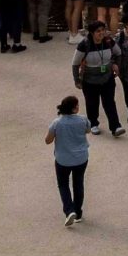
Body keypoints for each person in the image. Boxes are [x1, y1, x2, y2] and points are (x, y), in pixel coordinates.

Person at [46, 94, 91, 226]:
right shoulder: (83, 119)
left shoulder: (57, 122)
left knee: (63, 184)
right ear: (73, 109)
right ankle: (78, 212)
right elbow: (88, 131)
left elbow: (47, 140)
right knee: (78, 184)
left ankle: (69, 210)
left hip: (63, 160)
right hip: (81, 158)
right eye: (77, 105)